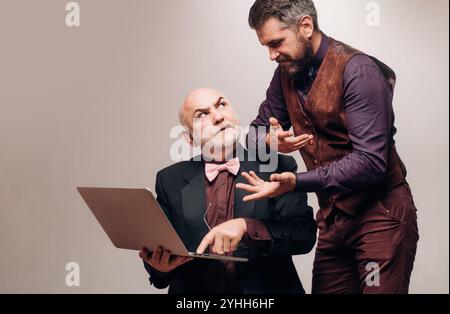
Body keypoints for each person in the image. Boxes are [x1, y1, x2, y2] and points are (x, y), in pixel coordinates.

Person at [238, 0, 419, 294]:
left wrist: (297, 183)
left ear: (306, 26)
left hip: (380, 215)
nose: (271, 55)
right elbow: (253, 134)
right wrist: (269, 140)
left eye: (276, 43)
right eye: (266, 47)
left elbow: (370, 162)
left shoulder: (359, 71)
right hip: (333, 221)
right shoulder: (286, 72)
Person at [139, 88, 317, 294]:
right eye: (202, 114)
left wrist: (246, 227)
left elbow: (304, 235)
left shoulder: (277, 165)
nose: (218, 117)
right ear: (189, 138)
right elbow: (160, 264)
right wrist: (160, 269)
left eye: (221, 104)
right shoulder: (169, 180)